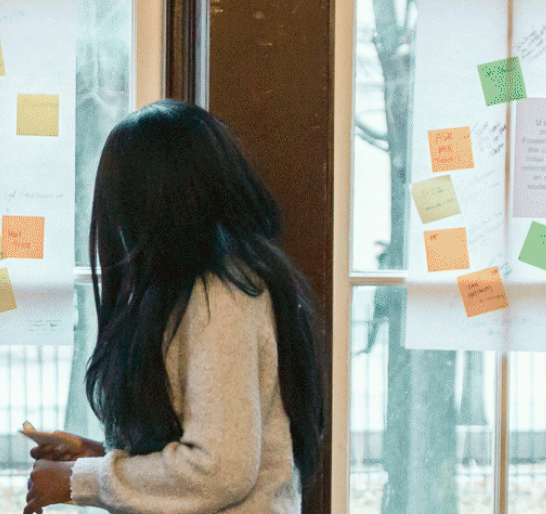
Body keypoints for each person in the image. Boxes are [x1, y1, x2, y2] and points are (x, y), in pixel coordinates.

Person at [23, 100, 327, 514]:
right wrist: (98, 457)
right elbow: (200, 447)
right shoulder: (203, 290)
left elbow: (218, 470)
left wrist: (84, 480)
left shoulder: (220, 298)